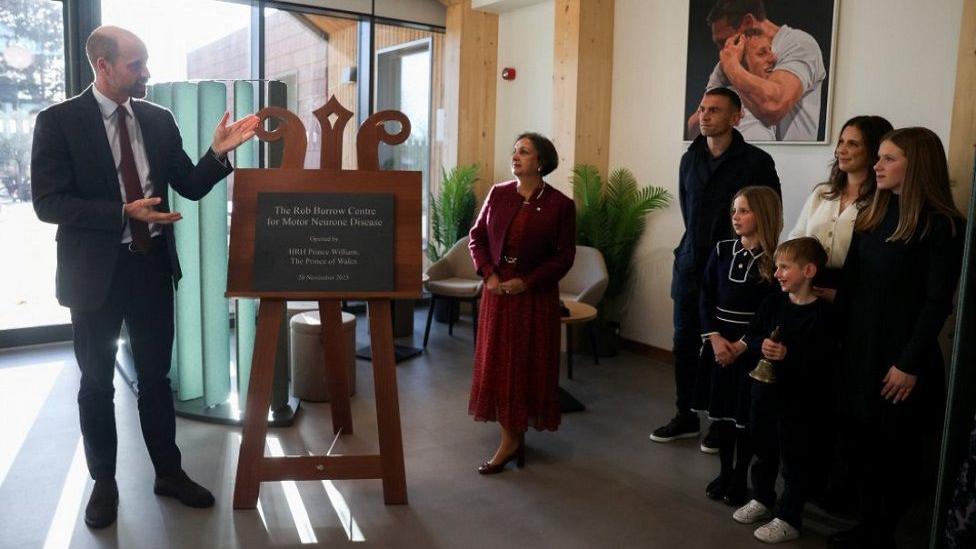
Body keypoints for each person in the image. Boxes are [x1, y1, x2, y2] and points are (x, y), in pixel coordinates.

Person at [30, 26, 259, 529]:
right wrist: (121, 211)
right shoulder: (58, 122)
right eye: (136, 64)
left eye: (146, 62)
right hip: (93, 275)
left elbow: (190, 186)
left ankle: (169, 473)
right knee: (95, 384)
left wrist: (219, 153)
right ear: (103, 65)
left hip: (151, 268)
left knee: (156, 379)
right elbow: (48, 203)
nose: (147, 72)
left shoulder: (158, 119)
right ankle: (104, 484)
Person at [827, 127, 964, 549]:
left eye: (888, 159)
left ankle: (881, 531)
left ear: (916, 164)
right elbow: (850, 286)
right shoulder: (873, 213)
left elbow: (937, 302)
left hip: (903, 357)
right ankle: (867, 523)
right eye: (879, 157)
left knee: (895, 452)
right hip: (861, 350)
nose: (876, 166)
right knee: (862, 443)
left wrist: (908, 363)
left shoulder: (943, 226)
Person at [651, 87, 780, 455]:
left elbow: (769, 214)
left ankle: (722, 422)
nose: (704, 116)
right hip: (692, 264)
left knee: (725, 349)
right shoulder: (689, 158)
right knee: (684, 342)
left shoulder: (756, 161)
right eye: (702, 109)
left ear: (736, 116)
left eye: (715, 110)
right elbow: (689, 212)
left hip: (734, 271)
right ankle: (686, 415)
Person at [468, 132, 576, 474]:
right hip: (498, 295)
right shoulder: (498, 194)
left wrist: (526, 282)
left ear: (540, 161)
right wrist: (489, 274)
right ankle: (510, 439)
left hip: (535, 298)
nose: (516, 157)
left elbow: (564, 258)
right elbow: (477, 238)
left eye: (524, 152)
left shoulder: (561, 205)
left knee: (526, 364)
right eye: (514, 151)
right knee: (500, 364)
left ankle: (514, 437)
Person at [731, 237, 834, 544]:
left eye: (785, 267)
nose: (777, 273)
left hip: (798, 402)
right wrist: (760, 343)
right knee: (763, 448)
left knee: (794, 458)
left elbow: (824, 361)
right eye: (777, 266)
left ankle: (789, 517)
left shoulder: (823, 315)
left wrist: (789, 356)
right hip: (764, 396)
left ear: (809, 270)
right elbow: (756, 331)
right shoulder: (774, 301)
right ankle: (763, 499)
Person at [691, 185, 781, 506]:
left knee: (745, 418)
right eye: (734, 211)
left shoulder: (776, 260)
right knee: (723, 415)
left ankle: (742, 474)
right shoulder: (722, 250)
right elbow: (705, 297)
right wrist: (714, 338)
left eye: (744, 210)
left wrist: (743, 345)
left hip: (749, 349)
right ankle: (725, 470)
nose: (736, 217)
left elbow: (771, 314)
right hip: (719, 343)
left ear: (764, 214)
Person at [687, 0, 826, 141]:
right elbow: (696, 127)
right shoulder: (731, 59)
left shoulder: (799, 44)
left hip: (793, 160)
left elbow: (773, 106)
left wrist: (732, 69)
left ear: (748, 22)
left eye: (724, 42)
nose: (723, 52)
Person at [789, 115, 893, 290]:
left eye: (853, 144)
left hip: (856, 289)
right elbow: (796, 239)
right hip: (810, 286)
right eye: (841, 142)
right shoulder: (822, 193)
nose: (841, 150)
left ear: (873, 150)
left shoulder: (882, 202)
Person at [733, 28, 777, 141]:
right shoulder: (729, 101)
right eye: (762, 53)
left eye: (770, 50)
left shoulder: (769, 98)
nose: (773, 58)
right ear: (742, 64)